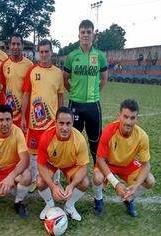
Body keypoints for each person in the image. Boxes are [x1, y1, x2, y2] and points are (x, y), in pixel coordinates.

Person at [92, 99, 155, 217]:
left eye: (132, 118)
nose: (128, 122)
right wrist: (116, 184)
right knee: (97, 177)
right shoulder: (109, 131)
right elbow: (100, 159)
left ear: (137, 119)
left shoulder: (142, 136)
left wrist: (136, 186)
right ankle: (98, 200)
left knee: (149, 180)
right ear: (119, 116)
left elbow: (146, 165)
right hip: (108, 164)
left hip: (127, 165)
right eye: (125, 117)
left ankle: (129, 198)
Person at [21, 39, 64, 191]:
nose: (44, 54)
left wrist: (60, 118)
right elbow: (26, 94)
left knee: (54, 152)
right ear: (38, 53)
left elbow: (60, 96)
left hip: (52, 123)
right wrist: (22, 117)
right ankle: (33, 179)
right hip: (34, 122)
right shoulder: (32, 71)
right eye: (41, 51)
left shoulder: (58, 73)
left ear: (51, 52)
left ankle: (57, 180)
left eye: (47, 51)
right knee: (33, 153)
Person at [63, 19, 107, 165]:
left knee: (95, 141)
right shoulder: (71, 56)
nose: (86, 35)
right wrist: (74, 93)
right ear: (78, 35)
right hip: (75, 104)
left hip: (93, 105)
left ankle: (98, 172)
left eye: (89, 32)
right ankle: (72, 170)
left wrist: (95, 94)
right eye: (83, 32)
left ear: (93, 35)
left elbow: (104, 79)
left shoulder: (100, 56)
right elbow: (65, 80)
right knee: (72, 140)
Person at [37, 107, 89, 221]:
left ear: (72, 123)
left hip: (70, 165)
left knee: (84, 183)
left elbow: (84, 167)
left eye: (68, 123)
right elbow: (40, 165)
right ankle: (50, 205)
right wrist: (53, 186)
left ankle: (69, 206)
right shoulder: (46, 137)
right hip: (52, 163)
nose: (64, 128)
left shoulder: (79, 140)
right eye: (61, 123)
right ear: (55, 123)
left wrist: (72, 185)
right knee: (40, 182)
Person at [0, 33, 33, 127]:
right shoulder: (4, 65)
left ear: (22, 46)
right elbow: (4, 87)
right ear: (9, 45)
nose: (15, 47)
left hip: (24, 110)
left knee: (23, 138)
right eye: (13, 44)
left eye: (18, 44)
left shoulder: (29, 65)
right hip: (10, 110)